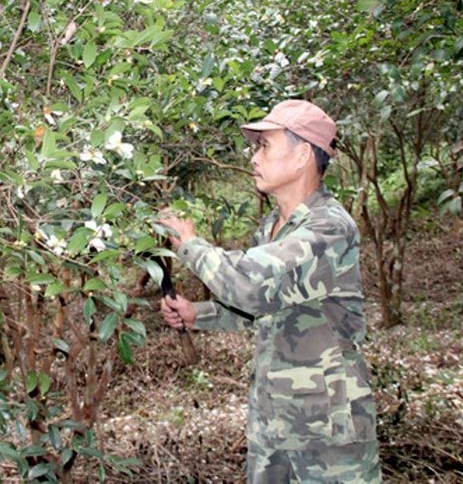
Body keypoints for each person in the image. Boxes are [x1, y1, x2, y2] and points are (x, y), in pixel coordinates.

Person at [159, 100, 382, 483]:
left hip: (326, 430)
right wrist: (200, 314)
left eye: (264, 145)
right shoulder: (272, 227)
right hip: (272, 422)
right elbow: (267, 306)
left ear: (301, 156)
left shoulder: (329, 229)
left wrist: (190, 245)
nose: (254, 157)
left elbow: (251, 285)